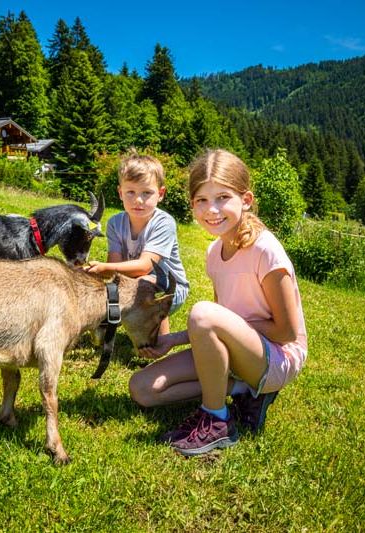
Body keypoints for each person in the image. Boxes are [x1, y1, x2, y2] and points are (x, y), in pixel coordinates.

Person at [128, 148, 308, 457]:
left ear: (246, 199)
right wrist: (172, 340)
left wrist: (228, 329)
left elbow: (286, 332)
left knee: (203, 313)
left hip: (276, 359)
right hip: (240, 352)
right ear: (192, 205)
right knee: (142, 388)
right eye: (201, 200)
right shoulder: (214, 253)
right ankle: (242, 392)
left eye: (223, 197)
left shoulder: (266, 251)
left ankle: (217, 420)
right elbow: (220, 324)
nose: (212, 210)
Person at [86, 153, 189, 335]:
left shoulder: (164, 223)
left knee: (144, 283)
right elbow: (114, 268)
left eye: (147, 193)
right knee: (111, 287)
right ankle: (112, 321)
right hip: (135, 282)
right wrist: (99, 271)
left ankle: (159, 339)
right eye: (130, 192)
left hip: (171, 289)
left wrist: (105, 267)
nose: (138, 200)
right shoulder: (115, 223)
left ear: (161, 194)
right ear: (120, 193)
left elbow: (145, 266)